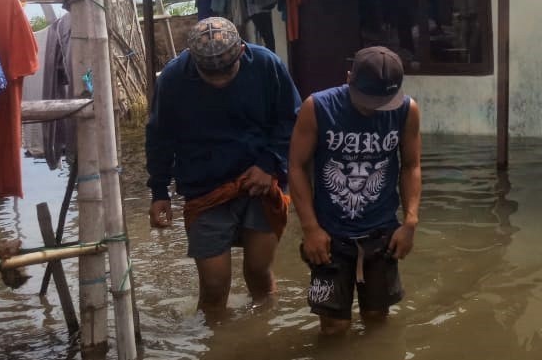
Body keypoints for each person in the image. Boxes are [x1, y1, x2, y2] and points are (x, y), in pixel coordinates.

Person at [146, 17, 301, 314]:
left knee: (259, 272)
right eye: (210, 75)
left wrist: (269, 164)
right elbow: (159, 137)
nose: (219, 81)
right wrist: (159, 191)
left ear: (242, 51)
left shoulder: (267, 66)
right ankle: (215, 344)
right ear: (194, 62)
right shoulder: (173, 79)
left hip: (261, 182)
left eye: (226, 73)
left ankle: (263, 336)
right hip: (205, 188)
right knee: (214, 286)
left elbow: (292, 120)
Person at [289, 46, 422, 337]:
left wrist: (410, 222)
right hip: (329, 237)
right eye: (366, 100)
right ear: (348, 78)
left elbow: (410, 165)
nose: (372, 108)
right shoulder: (318, 108)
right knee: (333, 326)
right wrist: (310, 228)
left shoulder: (406, 110)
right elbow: (297, 167)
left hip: (381, 234)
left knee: (377, 318)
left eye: (381, 101)